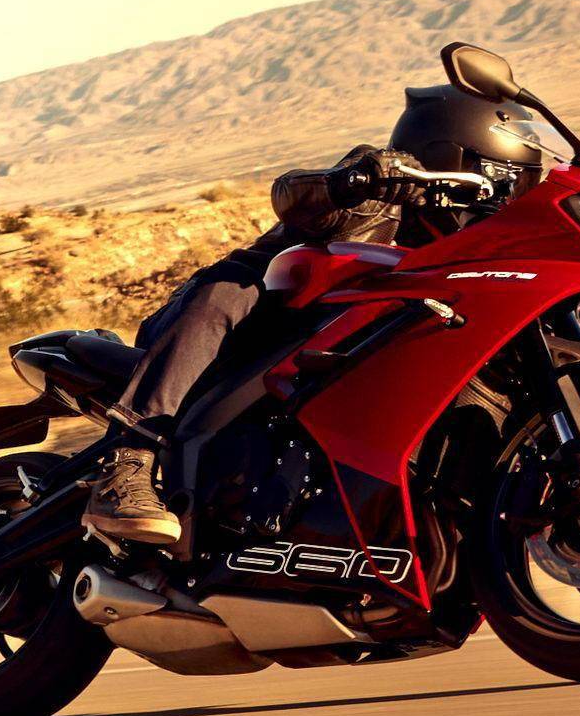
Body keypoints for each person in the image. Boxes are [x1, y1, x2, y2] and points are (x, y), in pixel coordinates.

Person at [81, 151, 398, 550]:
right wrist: (361, 178)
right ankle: (125, 461)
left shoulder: (465, 229)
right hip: (220, 322)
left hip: (297, 353)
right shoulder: (388, 178)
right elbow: (292, 194)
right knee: (232, 289)